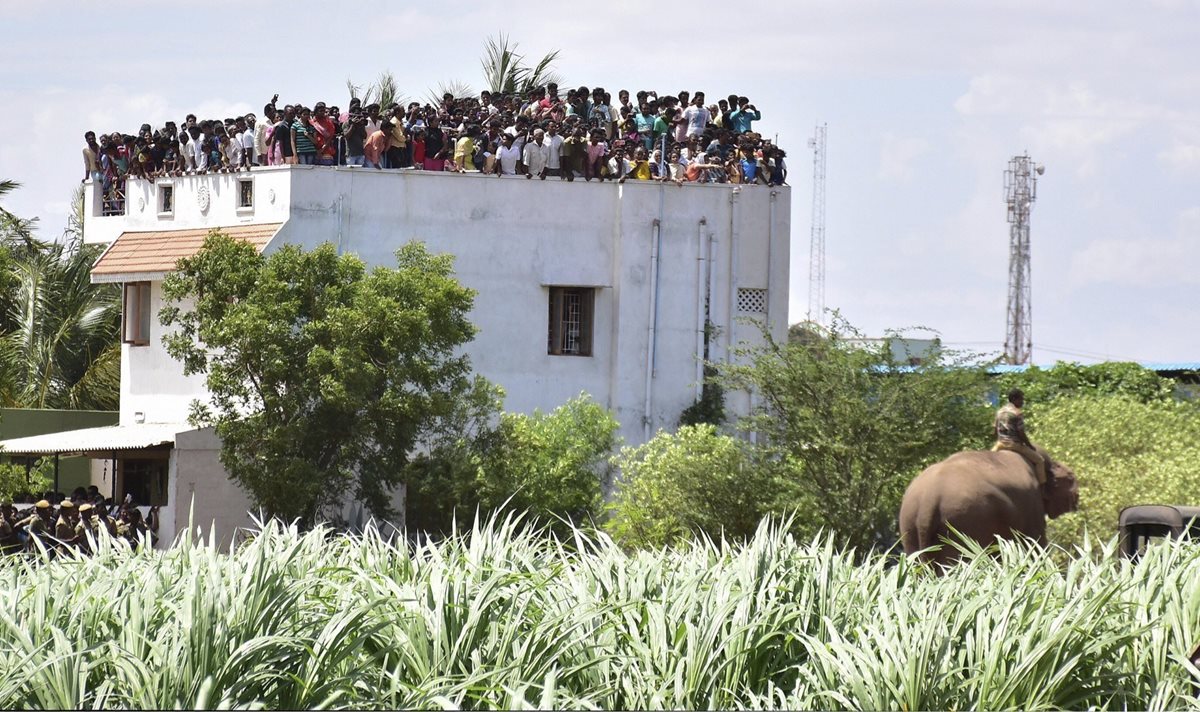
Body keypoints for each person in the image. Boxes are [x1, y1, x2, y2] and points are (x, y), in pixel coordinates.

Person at [992, 388, 1052, 486]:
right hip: (1014, 444)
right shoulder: (1017, 413)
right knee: (1040, 460)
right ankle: (1043, 486)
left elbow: (994, 430)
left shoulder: (999, 411)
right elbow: (1021, 433)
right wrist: (1029, 445)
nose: (1022, 402)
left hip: (1000, 444)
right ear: (1015, 399)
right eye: (1021, 399)